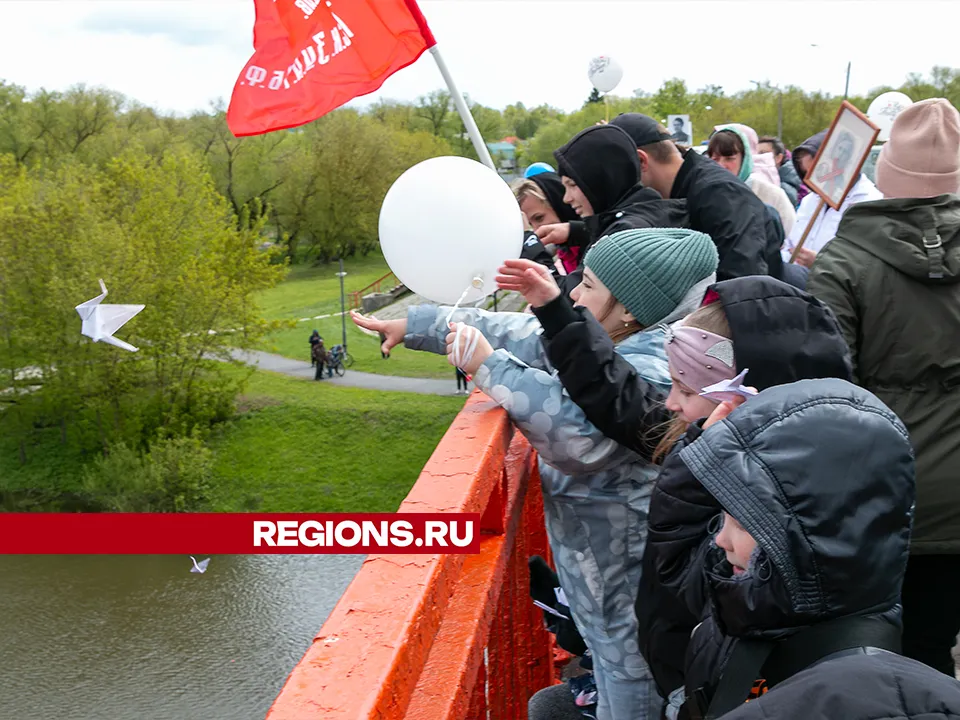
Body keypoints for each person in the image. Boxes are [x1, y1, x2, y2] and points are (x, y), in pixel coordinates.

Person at [353, 228, 720, 720]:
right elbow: (524, 332)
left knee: (632, 681)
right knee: (613, 665)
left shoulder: (655, 363)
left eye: (588, 285)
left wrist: (489, 366)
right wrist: (419, 325)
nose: (574, 295)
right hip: (600, 575)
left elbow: (580, 440)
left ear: (630, 308)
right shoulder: (605, 337)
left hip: (629, 583)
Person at [670, 379, 960, 720]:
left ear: (814, 535)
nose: (720, 540)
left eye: (744, 525)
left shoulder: (880, 699)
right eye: (723, 518)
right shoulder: (742, 606)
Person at [808, 98, 960, 678]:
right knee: (932, 646)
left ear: (886, 171)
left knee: (886, 660)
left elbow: (825, 390)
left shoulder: (844, 261)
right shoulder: (845, 259)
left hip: (886, 490)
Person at [609, 113, 771, 280]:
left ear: (641, 160)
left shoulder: (720, 194)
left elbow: (742, 282)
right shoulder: (692, 187)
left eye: (616, 172)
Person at [539, 124, 690, 296]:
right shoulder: (653, 211)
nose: (566, 198)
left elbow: (575, 298)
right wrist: (576, 231)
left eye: (572, 185)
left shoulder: (623, 238)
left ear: (601, 181)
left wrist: (534, 257)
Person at [782, 129, 882, 268]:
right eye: (807, 175)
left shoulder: (870, 203)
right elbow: (790, 245)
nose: (817, 181)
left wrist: (821, 263)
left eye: (820, 171)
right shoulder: (810, 200)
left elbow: (867, 264)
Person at [708, 124, 796, 237]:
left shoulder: (771, 194)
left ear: (744, 159)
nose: (721, 165)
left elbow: (791, 238)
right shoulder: (703, 194)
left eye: (729, 159)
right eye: (715, 159)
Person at [513, 173, 583, 276]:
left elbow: (554, 285)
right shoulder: (564, 252)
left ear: (560, 205)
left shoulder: (593, 248)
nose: (536, 230)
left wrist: (532, 248)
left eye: (539, 218)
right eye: (530, 224)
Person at [758, 136, 802, 207]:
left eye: (763, 153)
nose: (757, 157)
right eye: (755, 154)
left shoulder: (784, 189)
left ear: (778, 158)